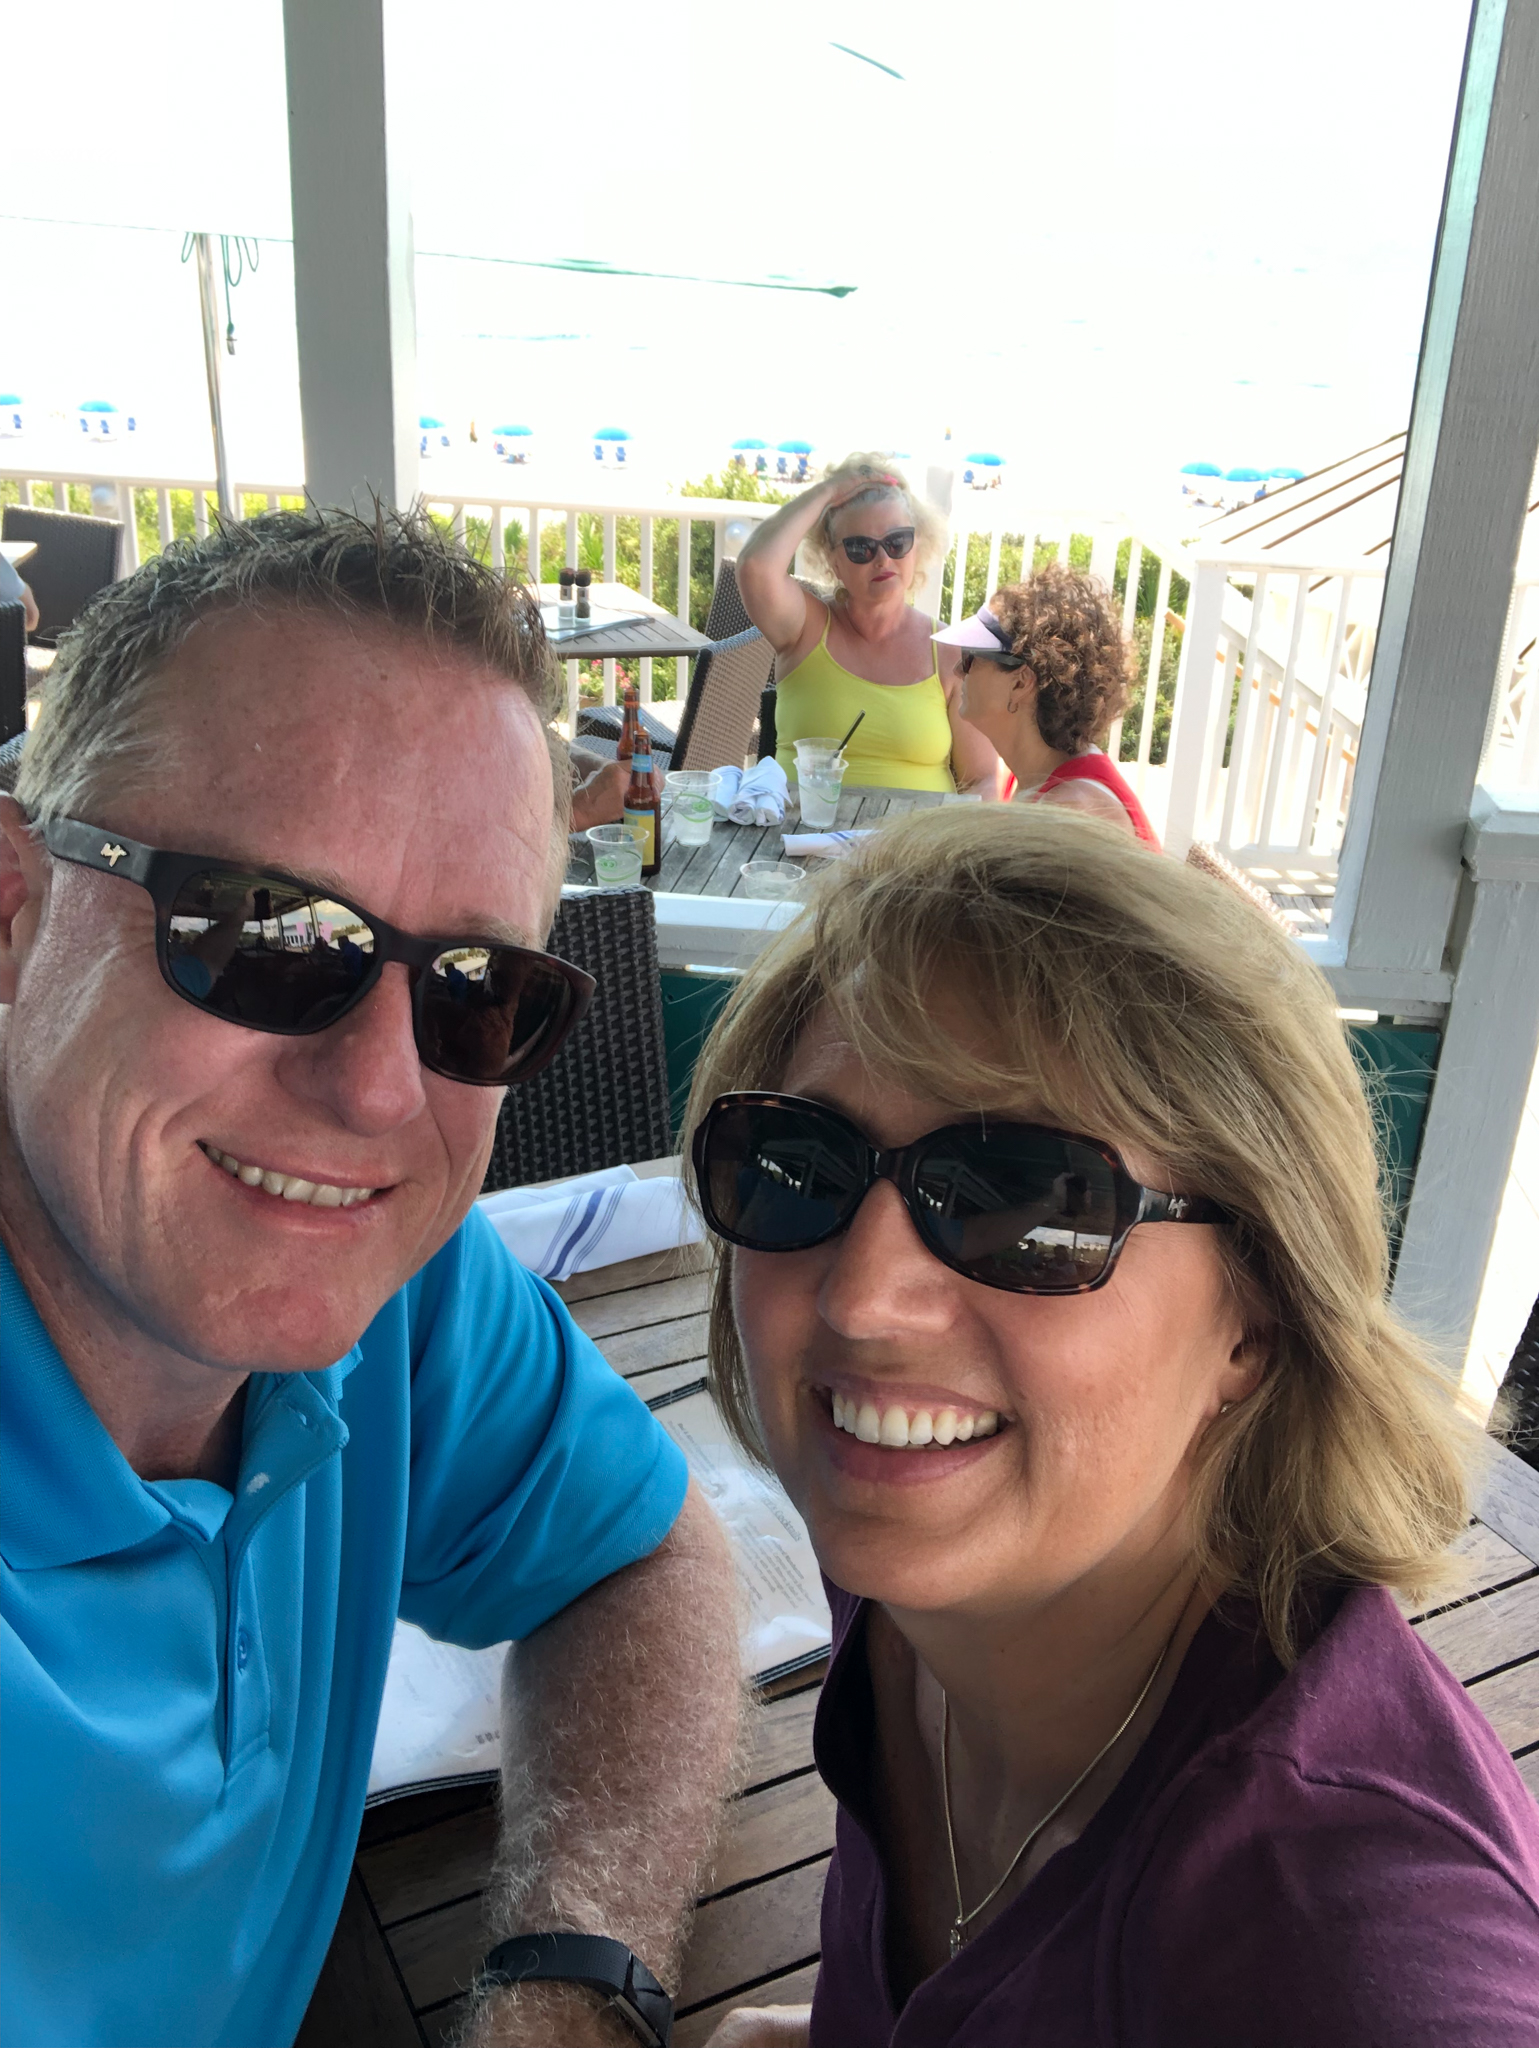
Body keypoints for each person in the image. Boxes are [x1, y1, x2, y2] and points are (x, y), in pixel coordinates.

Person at [0, 506, 743, 2048]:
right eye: (268, 934)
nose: (379, 1092)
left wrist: (569, 1978)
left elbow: (641, 1562)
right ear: (17, 911)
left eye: (475, 990)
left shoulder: (389, 1291)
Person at [686, 805, 1539, 2048]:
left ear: (1255, 1315)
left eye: (1028, 1198)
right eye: (800, 1164)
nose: (862, 1298)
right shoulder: (923, 1551)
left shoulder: (1345, 1942)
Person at [736, 457, 999, 794]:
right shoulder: (805, 629)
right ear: (833, 561)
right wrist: (828, 491)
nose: (883, 559)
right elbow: (756, 566)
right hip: (801, 824)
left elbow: (982, 779)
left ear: (917, 547)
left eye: (897, 542)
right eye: (860, 547)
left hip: (918, 829)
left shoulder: (950, 652)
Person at [935, 563, 1160, 843]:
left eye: (971, 657)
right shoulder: (1035, 775)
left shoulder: (1070, 811)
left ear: (1020, 683)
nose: (958, 670)